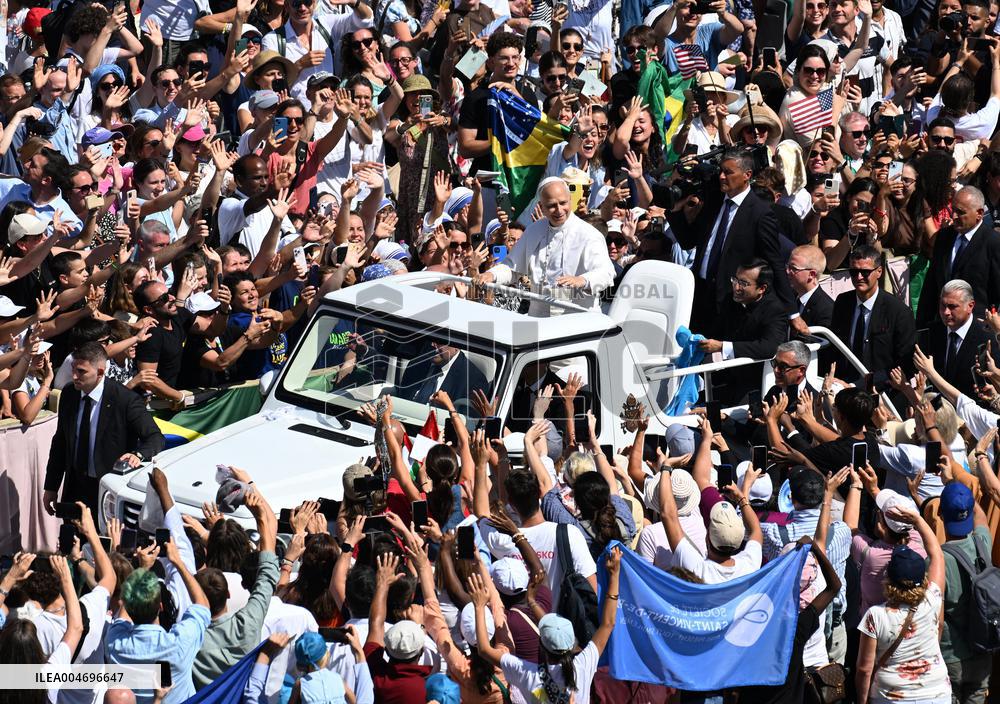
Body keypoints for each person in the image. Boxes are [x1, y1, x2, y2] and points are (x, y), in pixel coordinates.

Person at [667, 148, 791, 331]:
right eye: (721, 171)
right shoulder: (714, 201)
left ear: (747, 175)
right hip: (700, 296)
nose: (722, 177)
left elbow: (774, 262)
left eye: (729, 172)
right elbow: (688, 241)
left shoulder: (760, 213)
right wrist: (676, 211)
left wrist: (792, 313)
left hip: (732, 304)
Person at [42, 342, 164, 513]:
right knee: (72, 538)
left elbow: (155, 437)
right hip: (75, 488)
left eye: (81, 372)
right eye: (73, 369)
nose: (75, 376)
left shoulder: (125, 400)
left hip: (108, 490)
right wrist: (51, 487)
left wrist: (138, 454)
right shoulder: (70, 394)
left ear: (100, 372)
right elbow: (60, 443)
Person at [854, 505, 950, 704]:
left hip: (891, 696)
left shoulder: (875, 616)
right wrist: (917, 520)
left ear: (889, 580)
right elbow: (937, 555)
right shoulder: (932, 598)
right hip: (936, 694)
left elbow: (864, 669)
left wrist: (862, 701)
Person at [480, 178, 615, 314]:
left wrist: (582, 280)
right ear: (541, 207)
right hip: (540, 317)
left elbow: (607, 272)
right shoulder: (533, 230)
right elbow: (513, 268)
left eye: (563, 203)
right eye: (551, 205)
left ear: (570, 200)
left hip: (578, 318)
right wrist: (491, 274)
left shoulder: (589, 234)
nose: (559, 210)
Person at [828, 244, 915, 387]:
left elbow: (905, 363)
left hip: (882, 392)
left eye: (865, 272)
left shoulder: (898, 311)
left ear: (879, 272)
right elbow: (834, 350)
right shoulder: (842, 302)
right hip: (842, 386)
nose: (859, 277)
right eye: (853, 272)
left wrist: (860, 385)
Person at [916, 186, 1000, 327]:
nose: (953, 216)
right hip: (943, 325)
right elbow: (931, 285)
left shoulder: (993, 242)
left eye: (960, 212)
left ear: (979, 214)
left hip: (977, 327)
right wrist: (922, 325)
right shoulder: (944, 237)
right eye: (953, 210)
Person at [925, 279, 998, 400]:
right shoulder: (932, 333)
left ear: (970, 306)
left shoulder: (988, 338)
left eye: (952, 307)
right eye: (943, 305)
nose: (946, 312)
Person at [786, 245, 834, 337]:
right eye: (788, 266)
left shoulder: (826, 310)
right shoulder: (789, 298)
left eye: (794, 268)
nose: (787, 271)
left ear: (812, 274)